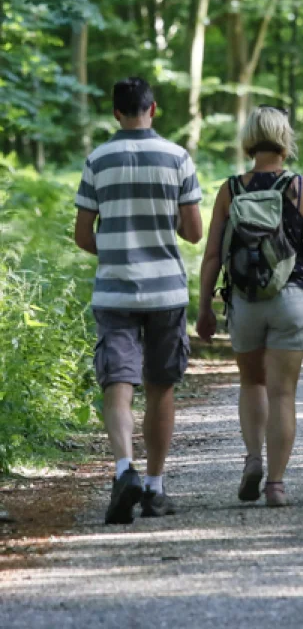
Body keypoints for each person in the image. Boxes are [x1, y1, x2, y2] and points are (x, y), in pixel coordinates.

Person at [197, 105, 303, 507]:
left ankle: (253, 458)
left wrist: (204, 307)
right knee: (283, 394)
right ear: (285, 139)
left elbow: (213, 255)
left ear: (249, 140)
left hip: (245, 300)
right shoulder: (302, 188)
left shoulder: (230, 190)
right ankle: (275, 484)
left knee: (252, 383)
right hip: (292, 299)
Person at [74, 77, 203, 524]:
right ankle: (154, 487)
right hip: (166, 290)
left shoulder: (98, 160)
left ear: (116, 113)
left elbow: (82, 235)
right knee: (160, 385)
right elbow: (194, 232)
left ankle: (123, 469)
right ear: (154, 109)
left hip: (114, 289)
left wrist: (115, 248)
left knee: (118, 381)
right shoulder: (177, 157)